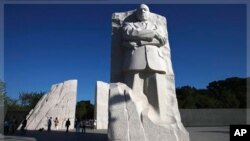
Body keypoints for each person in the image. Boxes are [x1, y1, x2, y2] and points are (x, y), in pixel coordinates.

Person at [122, 4, 171, 123]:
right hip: (135, 61)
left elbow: (162, 41)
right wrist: (152, 34)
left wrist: (138, 41)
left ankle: (161, 121)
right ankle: (133, 120)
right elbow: (127, 34)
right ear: (137, 13)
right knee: (133, 93)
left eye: (145, 9)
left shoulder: (157, 26)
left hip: (156, 61)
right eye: (140, 10)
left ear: (148, 13)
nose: (143, 11)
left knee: (158, 94)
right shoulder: (129, 25)